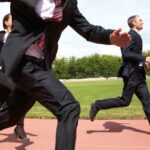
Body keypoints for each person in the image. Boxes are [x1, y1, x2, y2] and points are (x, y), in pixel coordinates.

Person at [0, 1, 131, 150]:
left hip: (40, 65)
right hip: (21, 61)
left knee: (10, 118)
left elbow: (88, 30)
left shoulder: (70, 4)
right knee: (68, 107)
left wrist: (110, 37)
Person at [89, 15, 150, 125]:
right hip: (131, 76)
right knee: (125, 101)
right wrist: (145, 58)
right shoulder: (130, 35)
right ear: (134, 23)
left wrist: (142, 63)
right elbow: (126, 54)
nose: (142, 22)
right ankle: (97, 105)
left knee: (148, 102)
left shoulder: (136, 36)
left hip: (139, 75)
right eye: (140, 20)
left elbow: (134, 55)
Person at [0, 13, 30, 140]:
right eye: (12, 17)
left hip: (16, 73)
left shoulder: (21, 36)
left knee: (18, 95)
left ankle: (19, 126)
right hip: (1, 72)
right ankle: (18, 125)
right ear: (6, 22)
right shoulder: (1, 35)